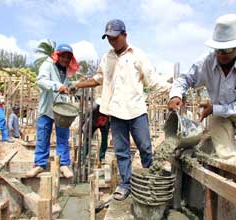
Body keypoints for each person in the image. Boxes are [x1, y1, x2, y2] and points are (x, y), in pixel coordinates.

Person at [70, 19, 170, 200]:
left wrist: (173, 89)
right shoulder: (107, 58)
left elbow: (152, 80)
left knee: (146, 148)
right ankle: (125, 185)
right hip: (115, 112)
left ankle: (150, 181)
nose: (112, 41)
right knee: (122, 151)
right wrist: (79, 84)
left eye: (115, 38)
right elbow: (98, 78)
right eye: (109, 38)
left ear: (125, 35)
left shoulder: (137, 55)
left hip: (136, 110)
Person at [168, 14, 236, 172]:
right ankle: (229, 180)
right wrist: (176, 95)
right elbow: (184, 79)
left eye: (226, 50)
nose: (221, 54)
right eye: (218, 50)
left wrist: (215, 109)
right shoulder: (205, 62)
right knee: (224, 154)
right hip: (217, 110)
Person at [26, 44, 79, 178]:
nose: (66, 59)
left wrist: (71, 88)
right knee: (43, 137)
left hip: (62, 110)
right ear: (57, 55)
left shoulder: (66, 71)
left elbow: (65, 88)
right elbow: (41, 81)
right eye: (63, 56)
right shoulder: (48, 65)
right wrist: (57, 86)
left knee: (63, 137)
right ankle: (39, 164)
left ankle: (64, 165)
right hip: (47, 109)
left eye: (68, 57)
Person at [84, 98, 110, 162]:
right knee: (87, 139)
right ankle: (84, 155)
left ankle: (102, 157)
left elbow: (111, 119)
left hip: (104, 124)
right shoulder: (93, 109)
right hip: (93, 123)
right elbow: (85, 116)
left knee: (104, 140)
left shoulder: (108, 109)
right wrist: (83, 125)